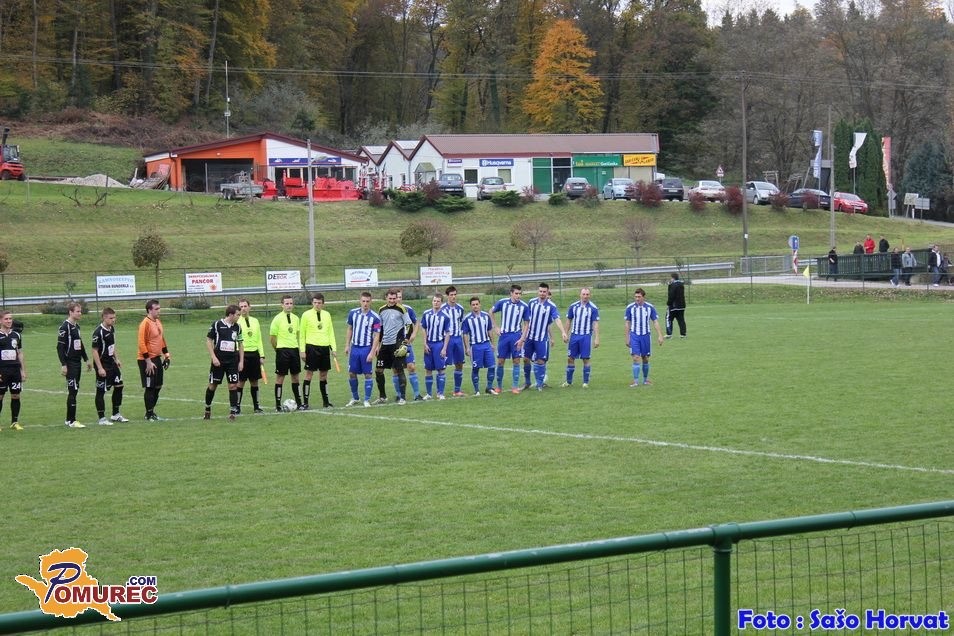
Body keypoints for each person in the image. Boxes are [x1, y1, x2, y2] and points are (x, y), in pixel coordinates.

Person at [524, 282, 568, 392]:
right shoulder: (531, 302)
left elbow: (557, 319)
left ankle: (539, 384)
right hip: (529, 337)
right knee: (525, 359)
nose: (542, 293)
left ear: (547, 292)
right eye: (540, 291)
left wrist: (563, 332)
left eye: (544, 292)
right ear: (538, 291)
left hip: (541, 338)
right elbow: (526, 319)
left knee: (541, 361)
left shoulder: (551, 306)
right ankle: (527, 382)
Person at [204, 304, 244, 421]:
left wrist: (241, 361)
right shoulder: (217, 324)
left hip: (232, 361)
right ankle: (207, 408)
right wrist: (213, 357)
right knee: (213, 385)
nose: (239, 317)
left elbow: (241, 344)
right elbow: (209, 340)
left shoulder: (238, 327)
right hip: (219, 361)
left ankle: (232, 412)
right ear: (231, 314)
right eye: (237, 315)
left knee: (233, 385)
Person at [91, 307, 129, 425]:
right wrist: (100, 368)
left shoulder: (112, 328)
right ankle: (102, 418)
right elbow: (94, 351)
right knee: (101, 391)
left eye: (114, 317)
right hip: (103, 364)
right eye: (111, 318)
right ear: (104, 317)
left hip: (112, 363)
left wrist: (116, 358)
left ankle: (115, 414)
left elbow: (112, 345)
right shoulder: (98, 332)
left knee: (119, 386)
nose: (113, 320)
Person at [299, 293, 337, 409]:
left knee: (324, 375)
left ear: (323, 304)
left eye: (319, 303)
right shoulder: (306, 315)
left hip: (324, 348)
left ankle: (326, 402)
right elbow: (302, 334)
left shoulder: (327, 315)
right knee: (309, 374)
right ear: (312, 303)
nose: (317, 305)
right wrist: (302, 350)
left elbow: (330, 332)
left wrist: (333, 348)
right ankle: (305, 403)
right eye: (315, 302)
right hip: (311, 348)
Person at [490, 284, 530, 394]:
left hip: (516, 336)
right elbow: (491, 311)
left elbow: (527, 324)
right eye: (516, 293)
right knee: (500, 361)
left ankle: (515, 387)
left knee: (516, 360)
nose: (518, 296)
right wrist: (495, 327)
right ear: (511, 293)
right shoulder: (502, 302)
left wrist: (522, 339)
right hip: (504, 336)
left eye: (520, 294)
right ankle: (499, 386)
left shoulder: (524, 306)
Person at [376, 288, 412, 404]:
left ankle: (403, 398)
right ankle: (382, 396)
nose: (392, 301)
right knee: (378, 370)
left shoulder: (402, 309)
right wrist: (377, 345)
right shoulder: (381, 310)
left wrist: (405, 341)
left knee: (399, 370)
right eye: (390, 298)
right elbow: (379, 328)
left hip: (397, 344)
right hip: (385, 345)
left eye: (394, 298)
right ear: (386, 297)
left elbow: (409, 325)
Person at [57, 301, 90, 428]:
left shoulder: (77, 327)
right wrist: (63, 364)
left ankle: (68, 419)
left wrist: (86, 359)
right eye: (77, 311)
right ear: (70, 312)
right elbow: (60, 347)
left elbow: (79, 344)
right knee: (73, 390)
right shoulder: (64, 327)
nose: (80, 313)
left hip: (77, 363)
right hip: (70, 363)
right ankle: (72, 421)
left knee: (74, 390)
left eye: (80, 311)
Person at [137, 299, 172, 421]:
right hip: (146, 360)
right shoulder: (145, 324)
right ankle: (149, 414)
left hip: (157, 358)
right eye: (156, 309)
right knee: (150, 387)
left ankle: (151, 412)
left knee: (158, 386)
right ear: (149, 310)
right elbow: (141, 343)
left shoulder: (157, 321)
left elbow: (161, 339)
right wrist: (148, 362)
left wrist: (166, 355)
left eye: (159, 308)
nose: (159, 311)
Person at [345, 291, 381, 407]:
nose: (365, 303)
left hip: (366, 348)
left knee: (367, 374)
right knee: (352, 373)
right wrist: (347, 345)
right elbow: (350, 329)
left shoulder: (375, 317)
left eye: (367, 301)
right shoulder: (353, 313)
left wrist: (372, 352)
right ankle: (355, 398)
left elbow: (377, 335)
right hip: (355, 348)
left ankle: (366, 399)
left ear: (371, 302)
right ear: (360, 301)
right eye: (363, 301)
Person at [624, 288, 665, 387]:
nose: (637, 299)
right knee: (636, 357)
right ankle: (635, 381)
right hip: (634, 335)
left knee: (645, 358)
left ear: (643, 297)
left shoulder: (650, 307)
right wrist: (627, 337)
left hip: (646, 336)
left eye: (639, 297)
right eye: (635, 297)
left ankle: (646, 380)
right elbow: (627, 323)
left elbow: (655, 321)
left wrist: (660, 335)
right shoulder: (630, 307)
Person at [269, 294, 303, 411]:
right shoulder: (277, 318)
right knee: (280, 377)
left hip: (294, 350)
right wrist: (277, 349)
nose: (289, 305)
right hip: (282, 351)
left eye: (291, 303)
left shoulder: (296, 318)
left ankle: (299, 403)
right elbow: (272, 338)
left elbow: (297, 335)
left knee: (296, 377)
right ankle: (278, 405)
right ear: (282, 305)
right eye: (286, 303)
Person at [562, 288, 600, 388]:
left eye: (587, 294)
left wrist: (596, 338)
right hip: (574, 336)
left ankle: (585, 382)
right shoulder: (573, 306)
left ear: (590, 295)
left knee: (585, 358)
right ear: (580, 295)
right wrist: (565, 333)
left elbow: (595, 323)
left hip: (586, 336)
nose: (585, 296)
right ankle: (569, 382)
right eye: (583, 294)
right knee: (570, 358)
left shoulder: (593, 308)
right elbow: (569, 320)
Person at [462, 296, 497, 395]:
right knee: (476, 368)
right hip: (475, 346)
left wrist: (492, 344)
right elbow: (465, 334)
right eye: (473, 305)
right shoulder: (467, 319)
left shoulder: (486, 316)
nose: (475, 306)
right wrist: (467, 348)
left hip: (486, 344)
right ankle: (477, 390)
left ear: (480, 305)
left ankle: (489, 388)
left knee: (492, 366)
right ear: (470, 306)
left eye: (477, 304)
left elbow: (489, 330)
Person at [420, 292, 451, 399]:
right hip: (429, 344)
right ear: (432, 302)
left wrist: (444, 348)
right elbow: (423, 329)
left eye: (438, 301)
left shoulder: (445, 316)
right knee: (428, 369)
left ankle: (440, 393)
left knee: (441, 369)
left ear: (441, 303)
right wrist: (424, 343)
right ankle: (429, 394)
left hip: (439, 344)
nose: (436, 303)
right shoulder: (426, 314)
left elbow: (448, 333)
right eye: (434, 301)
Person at [236, 299, 265, 414]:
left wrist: (262, 355)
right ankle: (237, 407)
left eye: (245, 306)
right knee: (240, 381)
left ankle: (256, 406)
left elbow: (259, 339)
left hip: (254, 355)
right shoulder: (236, 322)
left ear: (249, 307)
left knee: (254, 381)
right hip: (242, 355)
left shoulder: (255, 321)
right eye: (241, 307)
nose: (243, 308)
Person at [0, 310, 26, 431]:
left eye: (10, 319)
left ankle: (14, 422)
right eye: (6, 319)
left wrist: (23, 370)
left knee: (16, 395)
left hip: (15, 370)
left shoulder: (17, 335)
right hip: (2, 370)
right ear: (1, 320)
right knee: (0, 396)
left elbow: (19, 353)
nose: (9, 321)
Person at [396, 289, 423, 401]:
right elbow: (380, 327)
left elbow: (416, 322)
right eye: (396, 297)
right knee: (396, 370)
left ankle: (417, 395)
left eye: (400, 297)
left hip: (406, 343)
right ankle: (399, 395)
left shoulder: (408, 309)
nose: (398, 299)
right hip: (392, 344)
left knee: (411, 367)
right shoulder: (386, 311)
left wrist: (414, 334)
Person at [440, 286, 466, 397]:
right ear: (447, 296)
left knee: (459, 364)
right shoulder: (442, 308)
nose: (453, 297)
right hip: (446, 339)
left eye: (455, 294)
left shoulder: (460, 308)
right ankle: (440, 392)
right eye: (451, 295)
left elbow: (461, 323)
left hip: (457, 339)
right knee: (443, 365)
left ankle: (457, 390)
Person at [665, 272, 687, 339]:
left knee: (668, 319)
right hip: (681, 306)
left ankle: (669, 334)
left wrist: (668, 303)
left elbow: (671, 295)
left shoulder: (673, 285)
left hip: (673, 306)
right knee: (681, 319)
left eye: (671, 278)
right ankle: (683, 334)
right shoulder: (681, 284)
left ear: (673, 278)